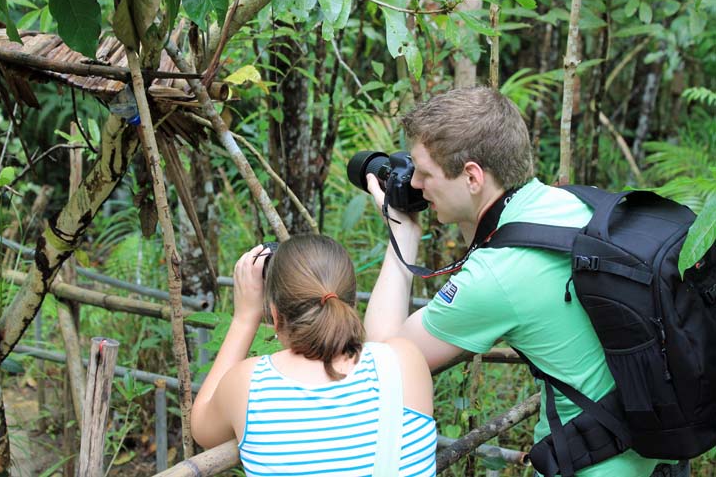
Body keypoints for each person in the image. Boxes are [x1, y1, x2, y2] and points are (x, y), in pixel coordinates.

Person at [363, 86, 686, 477]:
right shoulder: (581, 203)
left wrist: (402, 235)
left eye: (424, 173)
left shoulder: (497, 276)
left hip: (594, 464)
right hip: (666, 449)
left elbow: (381, 359)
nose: (414, 184)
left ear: (472, 176)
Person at [191, 234, 437, 476]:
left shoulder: (249, 383)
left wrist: (245, 318)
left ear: (275, 317)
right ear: (350, 305)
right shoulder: (404, 360)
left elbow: (202, 428)